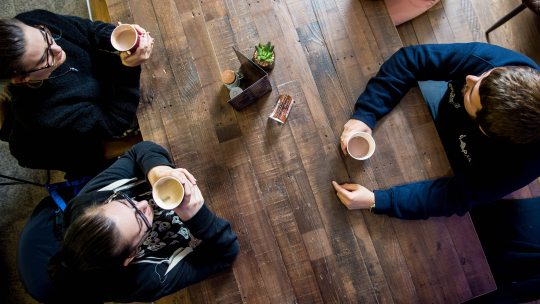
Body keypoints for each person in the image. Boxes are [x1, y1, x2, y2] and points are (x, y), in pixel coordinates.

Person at [333, 42, 540, 302]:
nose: (470, 77)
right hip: (436, 116)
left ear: (483, 129)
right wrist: (366, 114)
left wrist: (378, 201)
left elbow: (455, 196)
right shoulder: (498, 67)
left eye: (471, 91)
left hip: (462, 168)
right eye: (480, 78)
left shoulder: (516, 167)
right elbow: (412, 59)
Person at [22, 141, 239, 303]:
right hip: (51, 285)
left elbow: (137, 151)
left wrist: (158, 171)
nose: (144, 203)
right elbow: (225, 254)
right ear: (130, 255)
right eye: (141, 218)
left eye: (125, 202)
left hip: (43, 231)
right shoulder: (144, 282)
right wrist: (198, 216)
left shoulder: (90, 200)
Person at [0, 9, 153, 176]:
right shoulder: (43, 115)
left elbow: (87, 30)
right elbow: (114, 123)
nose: (58, 48)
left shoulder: (30, 19)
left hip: (122, 73)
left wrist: (119, 37)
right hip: (123, 105)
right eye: (45, 58)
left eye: (45, 36)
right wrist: (129, 69)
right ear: (22, 78)